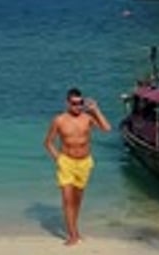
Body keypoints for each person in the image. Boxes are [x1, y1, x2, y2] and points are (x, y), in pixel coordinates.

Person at [43, 87, 111, 245]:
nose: (77, 106)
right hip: (66, 162)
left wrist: (96, 109)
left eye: (80, 103)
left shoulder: (88, 118)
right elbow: (48, 143)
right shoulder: (59, 120)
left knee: (77, 201)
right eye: (74, 103)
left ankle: (75, 230)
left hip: (84, 163)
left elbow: (107, 128)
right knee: (67, 200)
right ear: (67, 103)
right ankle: (73, 235)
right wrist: (58, 159)